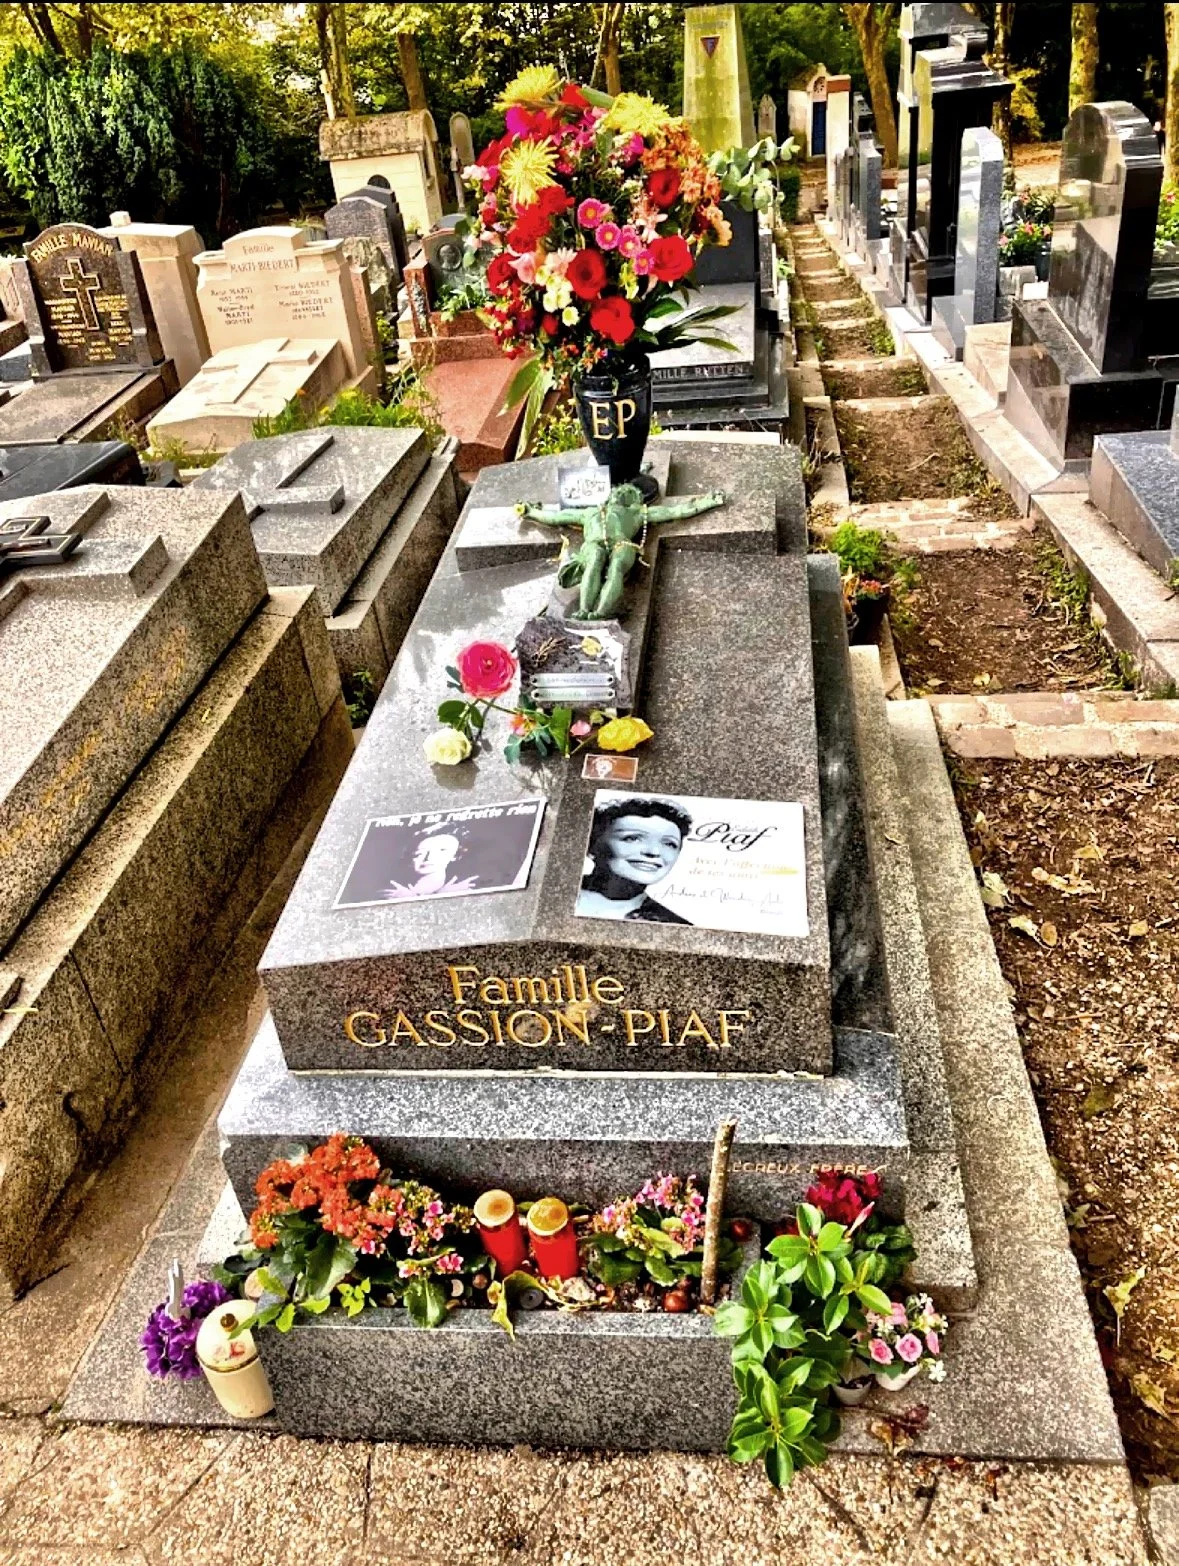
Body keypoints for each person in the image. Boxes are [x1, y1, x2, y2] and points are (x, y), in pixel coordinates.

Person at [576, 797, 693, 923]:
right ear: (592, 846)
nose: (654, 852)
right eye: (632, 838)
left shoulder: (676, 925)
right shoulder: (561, 892)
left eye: (669, 844)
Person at [383, 825, 478, 900]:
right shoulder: (393, 889)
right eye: (420, 853)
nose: (428, 858)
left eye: (442, 850)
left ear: (455, 856)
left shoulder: (463, 886)